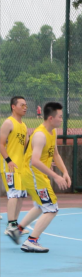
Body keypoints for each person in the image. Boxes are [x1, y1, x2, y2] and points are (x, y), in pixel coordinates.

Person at [9, 102, 71, 252]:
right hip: (33, 175)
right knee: (51, 208)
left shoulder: (52, 132)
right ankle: (31, 241)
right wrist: (56, 176)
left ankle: (17, 230)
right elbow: (35, 161)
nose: (62, 119)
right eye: (60, 116)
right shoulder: (40, 135)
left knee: (40, 205)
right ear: (51, 118)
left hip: (37, 175)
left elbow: (55, 154)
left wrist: (65, 172)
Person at [2, 96, 30, 240]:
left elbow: (26, 147)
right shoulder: (8, 122)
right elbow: (0, 144)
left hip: (20, 167)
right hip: (10, 166)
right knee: (13, 194)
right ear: (13, 106)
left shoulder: (24, 126)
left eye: (26, 105)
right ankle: (10, 226)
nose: (25, 107)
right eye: (22, 105)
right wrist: (9, 160)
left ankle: (15, 225)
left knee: (20, 196)